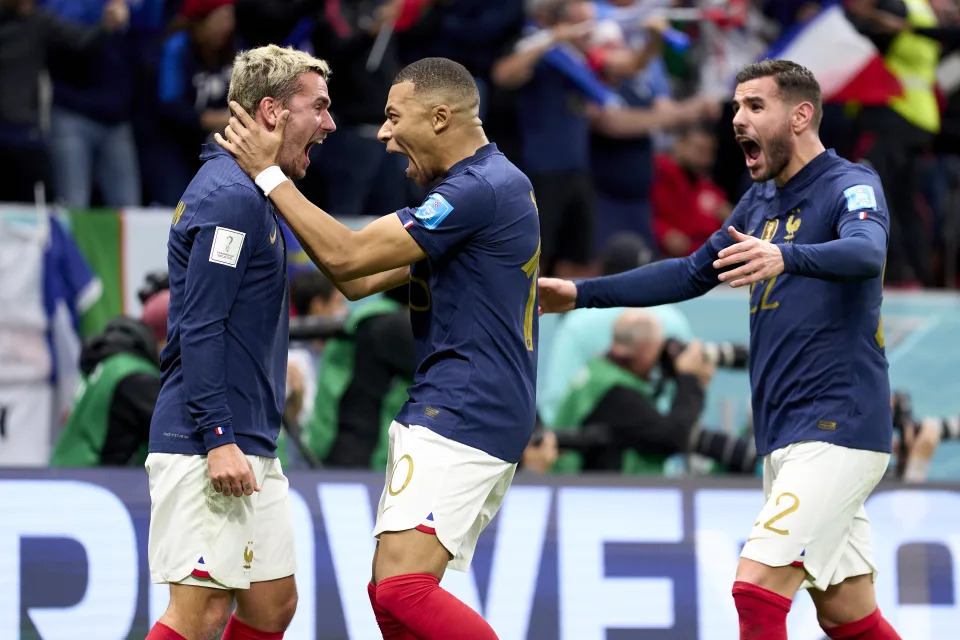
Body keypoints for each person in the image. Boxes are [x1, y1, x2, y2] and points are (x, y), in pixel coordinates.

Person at [539, 59, 902, 640]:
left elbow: (866, 253)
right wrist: (581, 293)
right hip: (788, 433)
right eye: (736, 107)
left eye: (755, 107)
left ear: (801, 114)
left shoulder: (849, 184)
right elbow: (689, 273)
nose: (738, 120)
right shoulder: (759, 203)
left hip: (839, 428)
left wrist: (789, 257)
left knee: (756, 593)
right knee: (848, 616)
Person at [217, 56, 540, 640]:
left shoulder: (478, 190)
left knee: (402, 589)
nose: (384, 137)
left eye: (393, 119)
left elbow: (348, 258)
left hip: (465, 408)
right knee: (389, 599)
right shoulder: (473, 191)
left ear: (440, 118)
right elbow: (359, 281)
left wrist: (269, 176)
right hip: (462, 407)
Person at [144, 44, 337, 640]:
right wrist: (218, 440)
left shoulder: (253, 192)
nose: (329, 124)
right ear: (273, 112)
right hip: (208, 440)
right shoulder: (231, 197)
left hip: (250, 436)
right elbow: (200, 325)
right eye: (320, 108)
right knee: (198, 615)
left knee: (270, 606)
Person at [551, 309, 757, 475]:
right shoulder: (613, 391)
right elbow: (673, 437)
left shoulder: (599, 374)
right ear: (644, 349)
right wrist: (690, 380)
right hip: (591, 495)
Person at [50, 290, 167, 467]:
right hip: (93, 483)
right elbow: (177, 435)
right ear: (168, 338)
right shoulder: (136, 378)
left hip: (69, 477)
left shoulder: (114, 361)